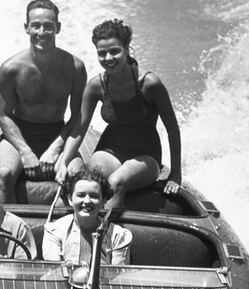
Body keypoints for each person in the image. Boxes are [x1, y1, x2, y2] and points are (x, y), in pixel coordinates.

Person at [56, 18, 182, 209]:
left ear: (126, 48)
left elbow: (173, 130)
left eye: (114, 51)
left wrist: (176, 174)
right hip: (110, 150)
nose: (108, 58)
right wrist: (64, 162)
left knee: (116, 182)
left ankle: (106, 234)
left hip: (145, 155)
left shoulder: (150, 84)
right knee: (91, 184)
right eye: (102, 53)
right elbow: (79, 129)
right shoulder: (96, 86)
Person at [0, 0, 87, 202]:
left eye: (48, 26)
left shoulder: (75, 67)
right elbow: (3, 115)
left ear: (58, 28)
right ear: (26, 28)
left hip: (57, 133)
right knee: (6, 173)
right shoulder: (10, 69)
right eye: (36, 26)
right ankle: (0, 232)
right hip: (18, 135)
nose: (41, 33)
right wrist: (25, 152)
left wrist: (56, 148)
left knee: (77, 176)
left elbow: (78, 116)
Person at [42, 166, 132, 265]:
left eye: (94, 196)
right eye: (81, 195)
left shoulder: (118, 236)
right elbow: (55, 273)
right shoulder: (54, 231)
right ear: (70, 199)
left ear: (103, 201)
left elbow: (117, 277)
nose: (87, 201)